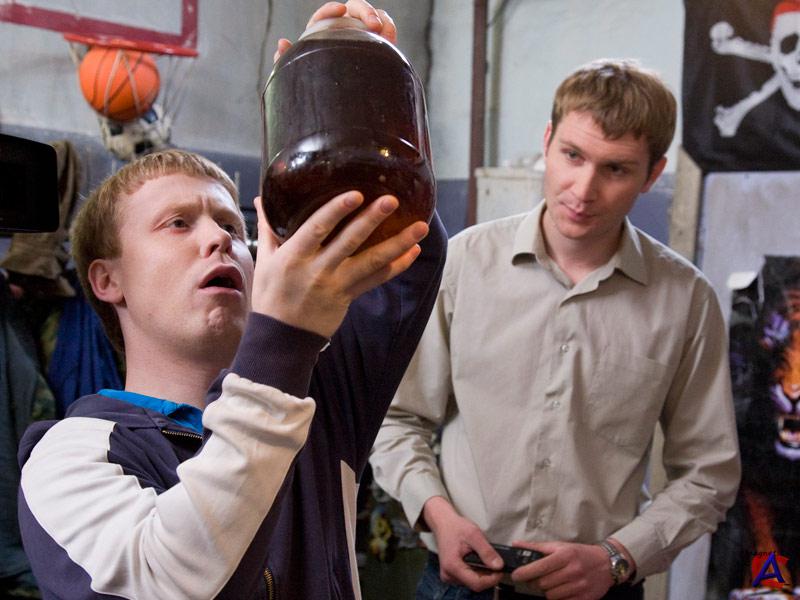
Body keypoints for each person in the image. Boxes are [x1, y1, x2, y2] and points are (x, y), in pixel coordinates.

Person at [16, 4, 446, 599]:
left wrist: (348, 102)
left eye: (230, 224)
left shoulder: (318, 396)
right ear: (108, 280)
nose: (218, 238)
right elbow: (172, 583)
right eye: (177, 223)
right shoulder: (69, 456)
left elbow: (404, 250)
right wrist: (283, 340)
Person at [369, 58, 741, 600]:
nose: (583, 189)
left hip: (602, 588)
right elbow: (398, 417)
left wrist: (618, 557)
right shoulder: (463, 264)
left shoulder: (685, 299)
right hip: (458, 583)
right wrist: (437, 515)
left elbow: (709, 472)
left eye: (616, 169)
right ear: (547, 141)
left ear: (652, 174)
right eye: (572, 155)